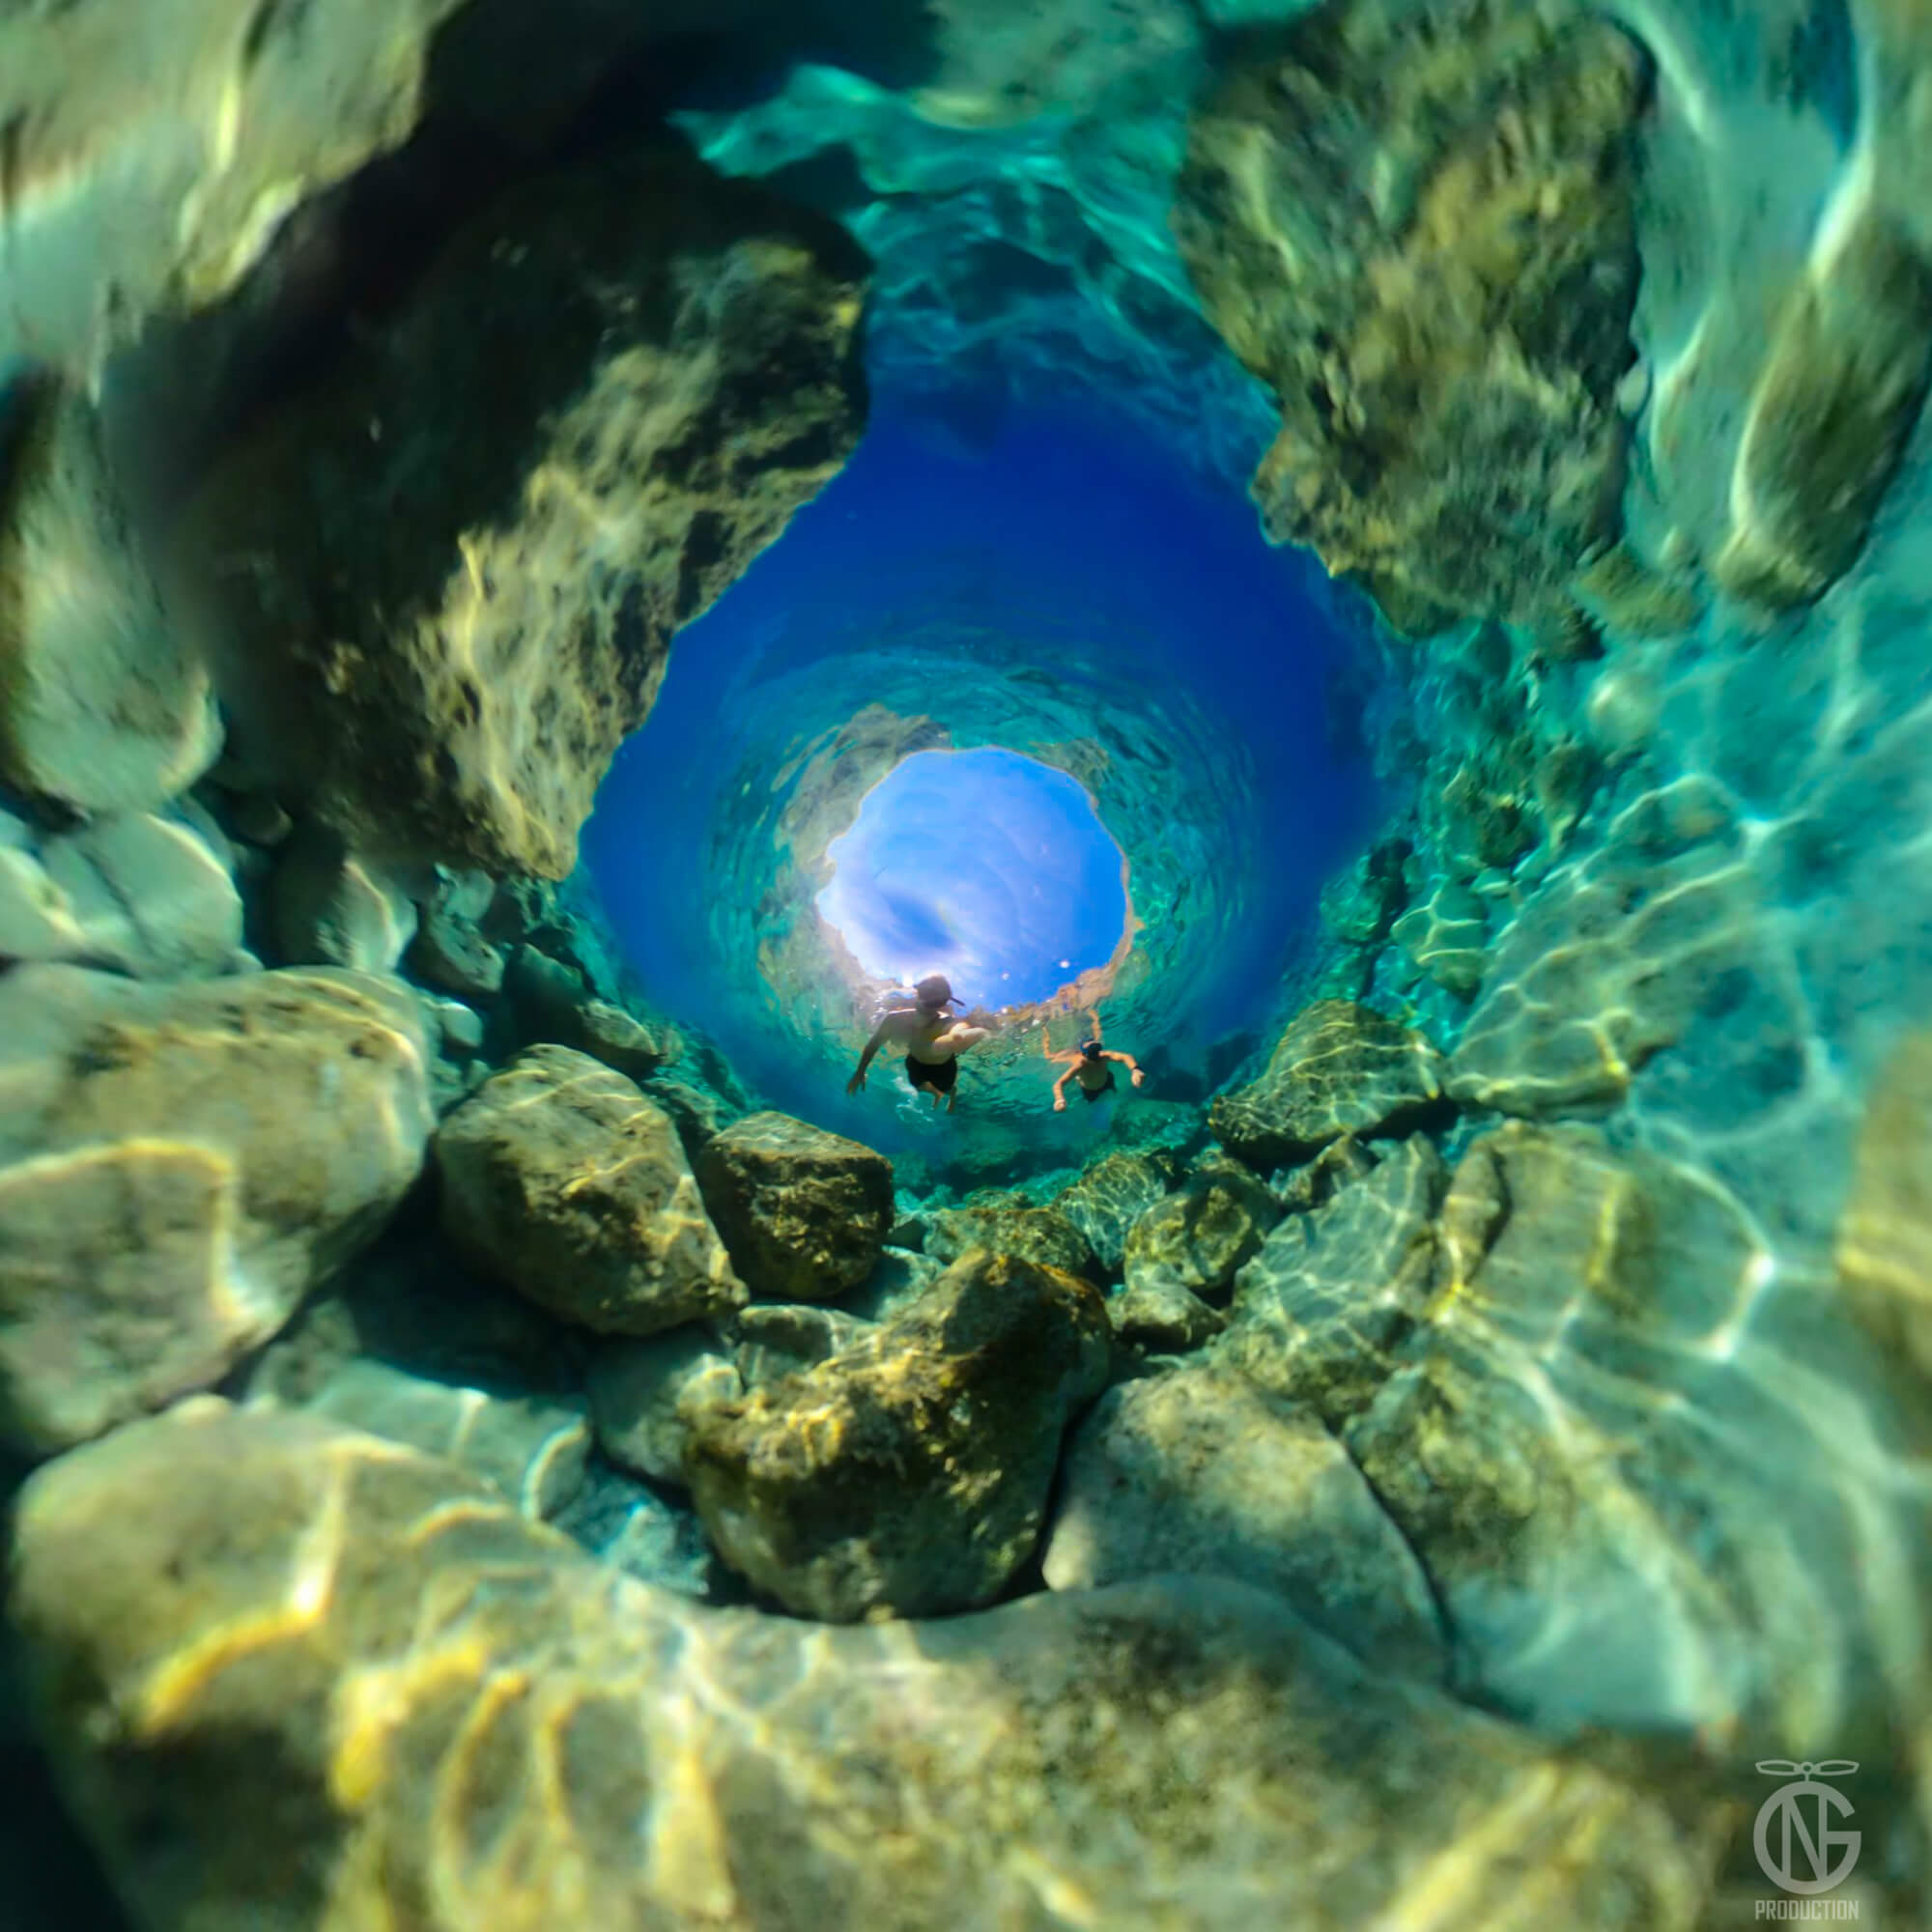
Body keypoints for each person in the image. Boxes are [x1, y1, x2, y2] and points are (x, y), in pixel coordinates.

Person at [846, 973, 990, 1113]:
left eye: (937, 999)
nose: (929, 1003)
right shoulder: (894, 1020)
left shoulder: (946, 1022)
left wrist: (959, 1037)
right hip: (914, 1063)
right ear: (917, 992)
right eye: (927, 992)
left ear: (943, 1003)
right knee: (918, 1086)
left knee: (946, 1088)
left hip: (943, 1068)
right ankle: (936, 1094)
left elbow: (958, 1030)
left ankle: (951, 1093)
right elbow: (874, 1044)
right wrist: (860, 1071)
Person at [1042, 1013, 1144, 1110]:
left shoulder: (1103, 1055)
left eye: (1097, 1050)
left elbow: (1125, 1057)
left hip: (1107, 1080)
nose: (1097, 1056)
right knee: (1091, 1101)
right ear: (1084, 1054)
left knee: (1114, 1090)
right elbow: (1058, 1084)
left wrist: (1136, 1070)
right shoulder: (1080, 1064)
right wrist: (1059, 1100)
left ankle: (1114, 1092)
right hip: (1089, 1090)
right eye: (1092, 1053)